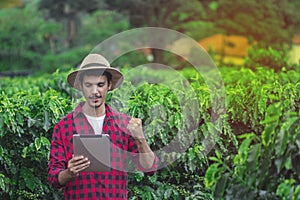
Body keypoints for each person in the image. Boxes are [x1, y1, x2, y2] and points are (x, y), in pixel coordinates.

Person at [48, 53, 158, 199]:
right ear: (81, 86)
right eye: (89, 85)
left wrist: (140, 138)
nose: (95, 92)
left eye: (100, 85)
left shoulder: (125, 124)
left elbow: (150, 168)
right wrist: (69, 172)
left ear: (109, 85)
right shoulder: (64, 127)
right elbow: (53, 177)